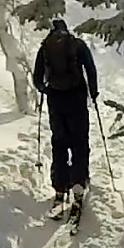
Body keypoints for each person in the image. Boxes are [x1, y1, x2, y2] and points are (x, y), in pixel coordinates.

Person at [33, 18, 98, 207]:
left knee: (59, 144)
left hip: (56, 102)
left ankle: (60, 186)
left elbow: (38, 79)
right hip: (77, 99)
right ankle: (78, 182)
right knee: (80, 142)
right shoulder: (77, 45)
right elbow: (90, 70)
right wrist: (93, 92)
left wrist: (46, 90)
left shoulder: (45, 48)